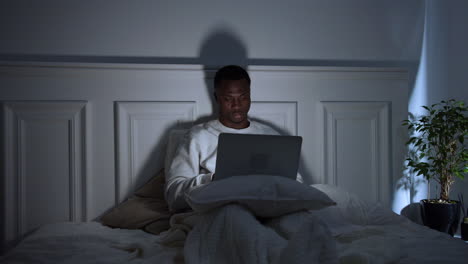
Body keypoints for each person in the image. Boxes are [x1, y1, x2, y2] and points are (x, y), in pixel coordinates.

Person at [164, 65, 301, 212]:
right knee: (233, 215)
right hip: (221, 209)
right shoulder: (197, 136)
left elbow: (297, 184)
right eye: (228, 98)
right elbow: (173, 194)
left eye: (243, 97)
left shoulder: (271, 135)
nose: (237, 105)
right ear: (217, 98)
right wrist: (213, 179)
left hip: (267, 208)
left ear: (250, 96)